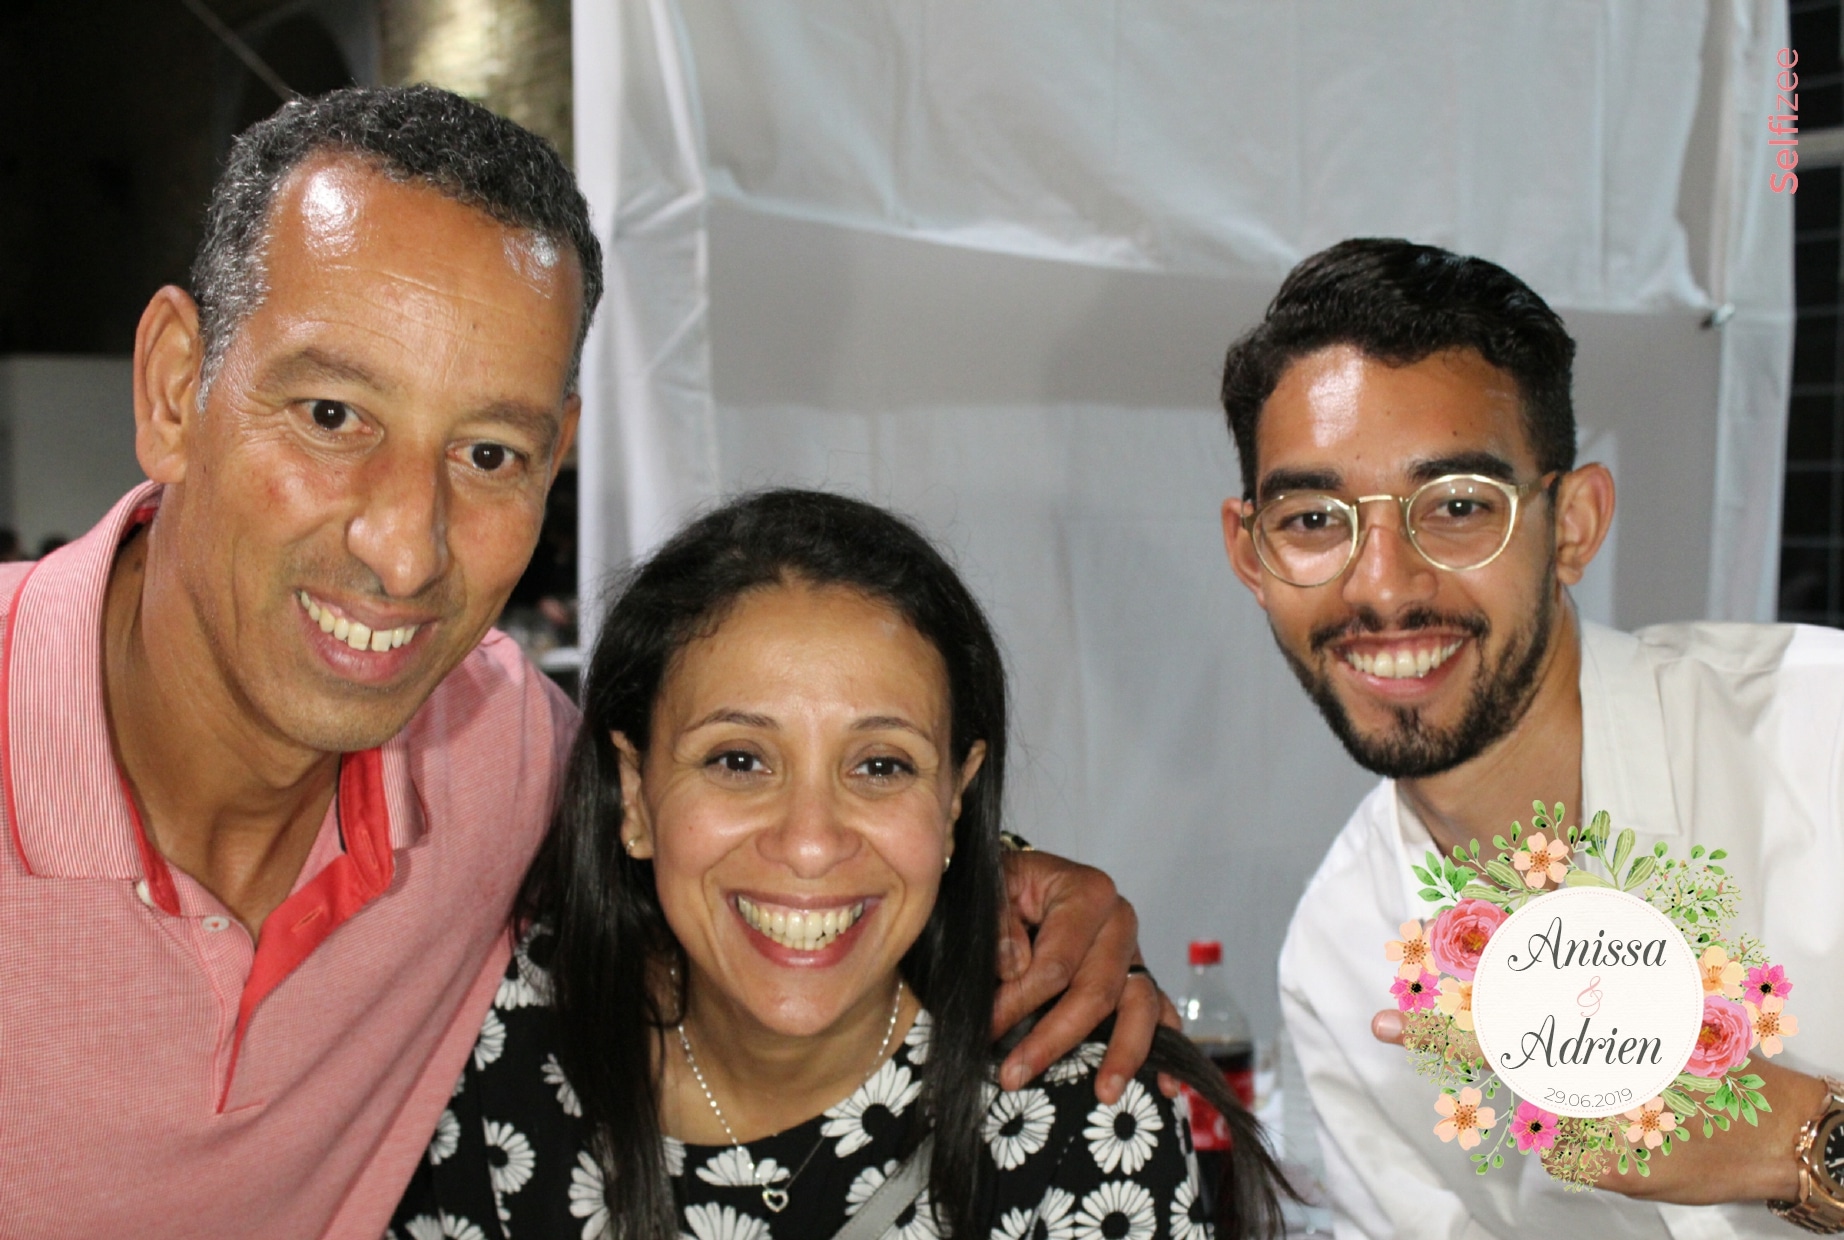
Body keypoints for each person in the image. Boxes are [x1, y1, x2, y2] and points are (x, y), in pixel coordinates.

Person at [2, 87, 1164, 1240]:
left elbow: (758, 817)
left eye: (489, 451)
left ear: (553, 460)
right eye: (331, 414)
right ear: (171, 388)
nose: (405, 546)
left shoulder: (497, 757)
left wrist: (1019, 880)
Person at [390, 488, 1289, 1240]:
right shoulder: (492, 1047)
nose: (812, 840)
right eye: (738, 760)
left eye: (880, 767)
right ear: (635, 795)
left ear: (955, 802)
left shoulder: (1077, 1126)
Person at [1217, 238, 1844, 1238]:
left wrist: (1795, 1140)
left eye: (1458, 507)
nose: (1380, 583)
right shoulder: (1343, 962)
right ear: (1249, 553)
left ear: (1572, 524)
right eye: (1312, 519)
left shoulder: (1820, 737)